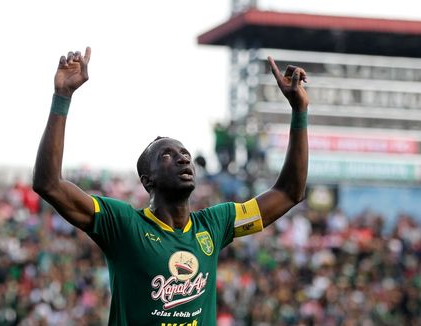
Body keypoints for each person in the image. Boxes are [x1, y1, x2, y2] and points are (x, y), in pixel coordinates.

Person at [33, 47, 309, 326]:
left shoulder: (214, 225)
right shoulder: (123, 225)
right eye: (167, 155)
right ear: (147, 180)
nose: (183, 158)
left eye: (185, 153)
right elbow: (49, 184)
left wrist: (299, 111)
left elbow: (289, 193)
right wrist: (62, 97)